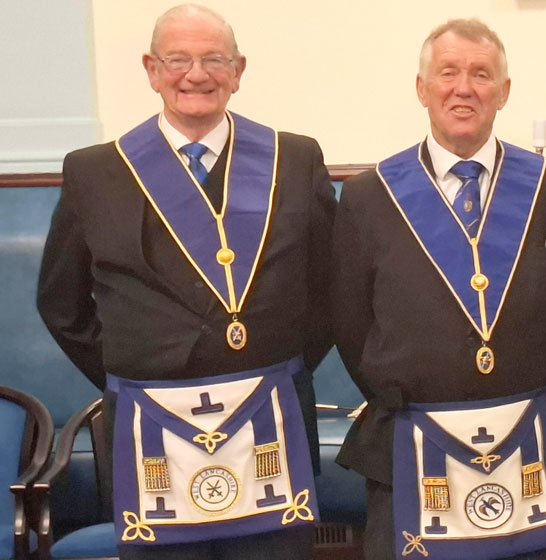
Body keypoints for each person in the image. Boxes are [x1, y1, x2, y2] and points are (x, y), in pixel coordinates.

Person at [36, 4, 334, 558]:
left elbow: (330, 288)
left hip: (270, 414)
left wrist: (285, 365)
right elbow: (62, 304)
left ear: (238, 70)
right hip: (153, 427)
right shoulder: (94, 171)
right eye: (178, 59)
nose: (196, 74)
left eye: (213, 60)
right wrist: (133, 369)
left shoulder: (293, 159)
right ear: (151, 69)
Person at [331, 17, 546, 560]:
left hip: (526, 441)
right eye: (448, 73)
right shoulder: (369, 197)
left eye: (481, 74)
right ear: (423, 88)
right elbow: (350, 322)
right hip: (409, 443)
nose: (464, 88)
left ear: (503, 92)